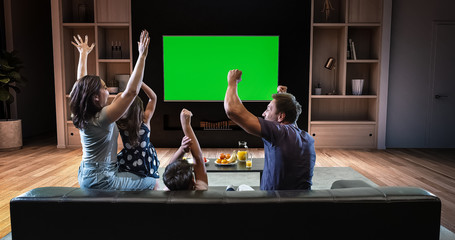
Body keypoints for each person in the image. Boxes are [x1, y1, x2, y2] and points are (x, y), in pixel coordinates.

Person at [70, 30, 158, 190]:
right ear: (95, 97)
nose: (107, 91)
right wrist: (142, 56)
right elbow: (131, 92)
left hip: (86, 173)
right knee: (153, 181)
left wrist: (83, 54)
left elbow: (80, 86)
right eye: (104, 88)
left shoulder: (81, 112)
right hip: (101, 179)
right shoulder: (102, 118)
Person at [224, 69, 316, 190]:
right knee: (243, 187)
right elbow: (291, 122)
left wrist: (232, 82)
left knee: (235, 188)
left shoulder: (278, 133)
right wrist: (283, 97)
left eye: (268, 109)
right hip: (300, 204)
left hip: (271, 204)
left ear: (281, 116)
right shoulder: (307, 138)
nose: (263, 114)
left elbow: (233, 111)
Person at [114, 82, 160, 179]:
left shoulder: (120, 122)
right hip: (146, 160)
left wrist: (120, 94)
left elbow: (113, 107)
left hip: (128, 160)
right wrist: (140, 83)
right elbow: (153, 98)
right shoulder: (145, 120)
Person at [162, 109, 208, 191]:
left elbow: (170, 168)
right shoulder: (201, 191)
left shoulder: (167, 191)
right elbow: (198, 158)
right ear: (193, 180)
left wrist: (182, 149)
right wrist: (186, 125)